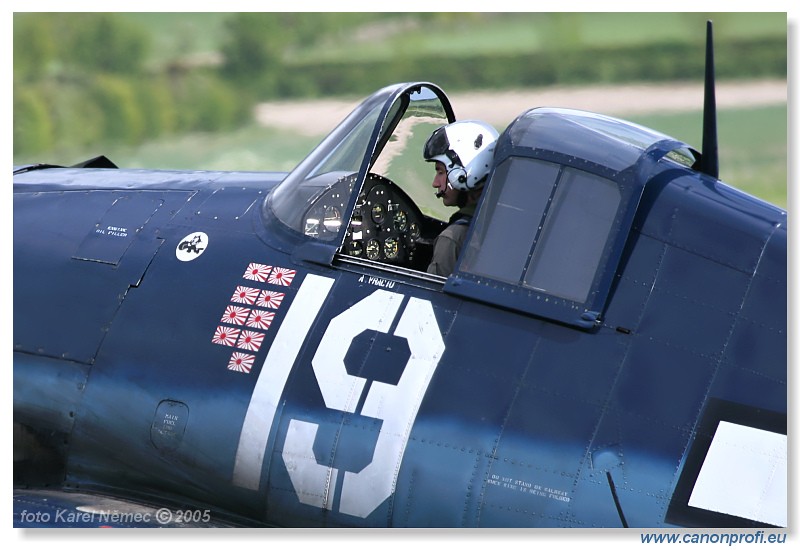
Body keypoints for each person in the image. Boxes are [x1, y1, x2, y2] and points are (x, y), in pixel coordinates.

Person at [423, 120, 499, 276]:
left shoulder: (452, 238)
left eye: (440, 172)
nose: (435, 183)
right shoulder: (500, 222)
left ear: (463, 174)